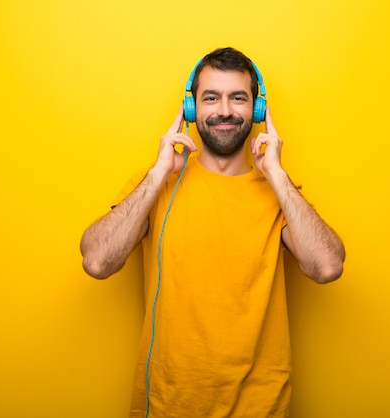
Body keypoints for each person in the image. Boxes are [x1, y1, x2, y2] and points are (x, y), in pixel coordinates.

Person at [80, 47, 345, 418]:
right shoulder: (157, 187)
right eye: (210, 98)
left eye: (238, 98)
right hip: (169, 406)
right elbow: (96, 261)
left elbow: (328, 267)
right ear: (192, 109)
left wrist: (278, 175)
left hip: (260, 407)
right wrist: (158, 174)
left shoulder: (280, 193)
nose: (224, 110)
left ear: (256, 109)